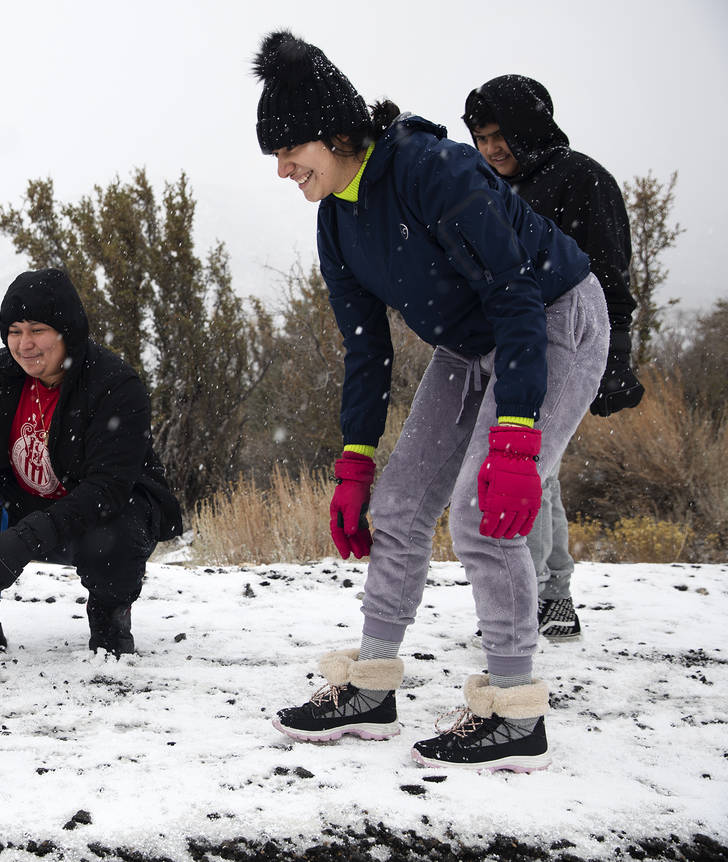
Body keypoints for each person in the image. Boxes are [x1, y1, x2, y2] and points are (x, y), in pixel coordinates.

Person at [253, 31, 609, 770]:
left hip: (552, 320)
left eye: (291, 151)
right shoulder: (336, 220)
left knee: (483, 517)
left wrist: (515, 435)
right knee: (401, 505)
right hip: (467, 343)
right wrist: (355, 460)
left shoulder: (432, 170)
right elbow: (366, 348)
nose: (283, 169)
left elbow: (514, 293)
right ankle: (372, 688)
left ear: (338, 133)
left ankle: (515, 713)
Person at [0, 267, 182, 667]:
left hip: (96, 515)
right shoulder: (2, 373)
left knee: (119, 526)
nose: (25, 344)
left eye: (38, 329)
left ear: (67, 330)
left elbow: (105, 490)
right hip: (25, 506)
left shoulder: (114, 384)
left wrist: (22, 541)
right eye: (15, 330)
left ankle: (110, 626)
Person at [463, 76, 643, 643]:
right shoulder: (487, 186)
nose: (493, 149)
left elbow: (611, 276)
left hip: (563, 345)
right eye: (481, 138)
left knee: (524, 469)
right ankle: (552, 594)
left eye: (501, 136)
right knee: (541, 475)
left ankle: (537, 593)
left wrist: (615, 358)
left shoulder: (583, 180)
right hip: (504, 346)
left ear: (529, 128)